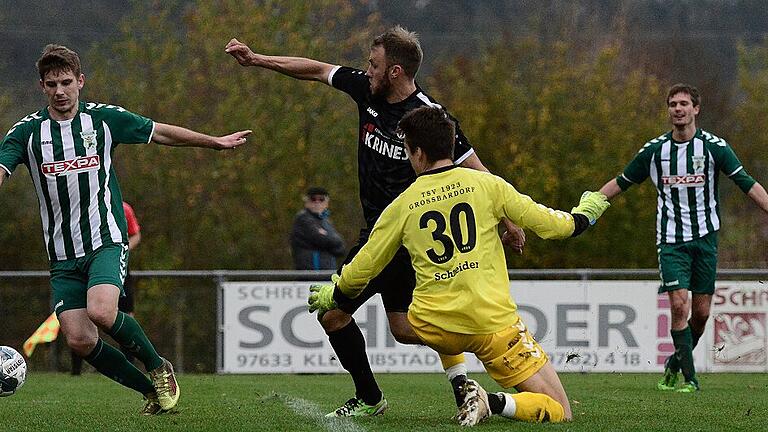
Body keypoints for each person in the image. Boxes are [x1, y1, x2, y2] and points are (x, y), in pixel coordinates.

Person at [227, 26, 526, 417]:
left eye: (374, 64)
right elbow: (317, 70)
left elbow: (478, 170)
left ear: (396, 72)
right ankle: (477, 369)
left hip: (401, 240)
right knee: (403, 330)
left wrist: (509, 220)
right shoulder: (368, 91)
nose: (367, 70)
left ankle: (375, 398)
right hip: (380, 236)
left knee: (333, 314)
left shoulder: (429, 119)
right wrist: (258, 59)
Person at [308, 106, 611, 425]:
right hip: (491, 326)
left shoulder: (403, 205)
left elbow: (364, 267)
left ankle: (456, 385)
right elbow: (553, 226)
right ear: (451, 145)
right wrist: (583, 216)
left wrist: (336, 295)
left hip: (436, 327)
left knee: (404, 326)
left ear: (419, 153)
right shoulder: (489, 185)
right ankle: (491, 402)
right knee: (559, 410)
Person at [0, 44, 251, 414]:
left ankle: (157, 365)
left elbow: (159, 131)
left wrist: (212, 142)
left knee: (102, 312)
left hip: (106, 240)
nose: (60, 91)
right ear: (42, 87)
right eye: (52, 84)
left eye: (66, 82)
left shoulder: (103, 119)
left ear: (80, 81)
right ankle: (150, 391)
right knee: (80, 340)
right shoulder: (26, 133)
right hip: (62, 256)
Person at [597, 84, 768, 392]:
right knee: (679, 305)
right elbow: (621, 182)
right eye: (673, 104)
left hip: (705, 239)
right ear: (669, 110)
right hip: (671, 240)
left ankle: (675, 363)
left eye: (684, 104)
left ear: (695, 109)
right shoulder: (654, 151)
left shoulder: (714, 147)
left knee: (701, 314)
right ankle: (690, 380)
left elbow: (747, 183)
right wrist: (587, 209)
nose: (678, 108)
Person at [71, 201, 141, 375]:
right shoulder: (83, 207)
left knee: (126, 314)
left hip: (117, 266)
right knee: (82, 315)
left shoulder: (123, 208)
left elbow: (135, 235)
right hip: (88, 266)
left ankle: (130, 365)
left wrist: (121, 250)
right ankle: (76, 371)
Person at [290, 187, 346, 270]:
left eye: (321, 199)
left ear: (327, 203)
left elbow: (341, 247)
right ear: (306, 202)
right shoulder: (303, 218)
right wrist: (330, 241)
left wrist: (330, 240)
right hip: (311, 275)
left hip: (326, 274)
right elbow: (320, 239)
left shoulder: (326, 221)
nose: (317, 202)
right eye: (313, 199)